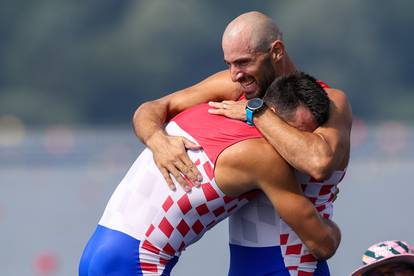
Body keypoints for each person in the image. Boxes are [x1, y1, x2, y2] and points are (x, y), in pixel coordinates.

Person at [133, 11, 352, 275]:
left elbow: (318, 163)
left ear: (277, 52)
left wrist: (255, 113)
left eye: (244, 62)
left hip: (295, 265)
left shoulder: (330, 100)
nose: (235, 75)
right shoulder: (235, 87)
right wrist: (158, 142)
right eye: (229, 64)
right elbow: (153, 108)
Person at [79, 72, 340, 276]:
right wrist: (322, 207)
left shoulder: (205, 108)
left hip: (97, 250)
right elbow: (322, 245)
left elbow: (148, 109)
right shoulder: (261, 156)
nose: (296, 144)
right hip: (138, 263)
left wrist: (156, 139)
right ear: (270, 115)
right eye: (296, 132)